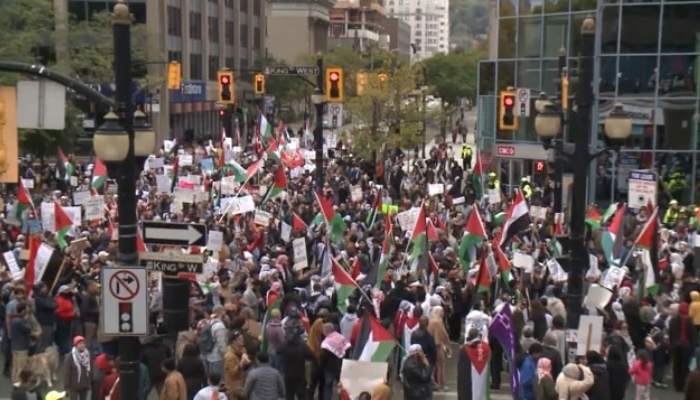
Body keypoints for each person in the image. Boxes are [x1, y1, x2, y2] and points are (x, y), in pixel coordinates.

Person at [457, 327, 490, 400]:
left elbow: (461, 373)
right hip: (481, 382)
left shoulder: (464, 350)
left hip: (468, 388)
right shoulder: (486, 348)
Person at [319, 323, 349, 400]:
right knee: (342, 386)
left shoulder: (326, 343)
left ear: (326, 331)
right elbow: (348, 348)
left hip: (329, 368)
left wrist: (321, 367)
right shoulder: (341, 337)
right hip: (342, 365)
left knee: (328, 386)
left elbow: (323, 357)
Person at [427, 306, 449, 391]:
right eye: (442, 311)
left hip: (433, 346)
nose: (443, 313)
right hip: (437, 346)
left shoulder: (432, 320)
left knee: (434, 366)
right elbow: (438, 336)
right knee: (440, 366)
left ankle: (436, 384)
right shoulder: (437, 322)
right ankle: (441, 385)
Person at [63, 336, 92, 400]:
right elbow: (67, 372)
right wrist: (66, 386)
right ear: (75, 345)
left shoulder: (88, 354)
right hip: (74, 385)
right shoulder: (70, 357)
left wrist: (89, 382)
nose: (82, 345)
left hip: (84, 384)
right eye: (80, 344)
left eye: (83, 343)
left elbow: (90, 369)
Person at [224, 330, 250, 399]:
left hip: (241, 382)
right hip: (234, 385)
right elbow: (232, 373)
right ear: (233, 342)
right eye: (239, 339)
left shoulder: (242, 350)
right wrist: (240, 365)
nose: (242, 340)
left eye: (242, 338)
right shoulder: (229, 356)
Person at [10, 301, 33, 382]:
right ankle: (20, 382)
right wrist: (27, 320)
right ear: (23, 310)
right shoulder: (21, 321)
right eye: (26, 309)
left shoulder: (13, 320)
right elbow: (28, 329)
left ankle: (14, 380)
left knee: (15, 366)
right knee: (21, 367)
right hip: (22, 347)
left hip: (14, 346)